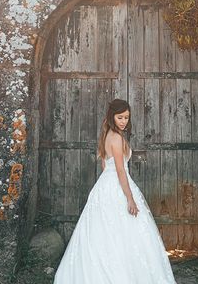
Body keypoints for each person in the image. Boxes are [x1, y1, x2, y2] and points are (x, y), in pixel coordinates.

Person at [53, 98, 177, 283]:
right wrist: (130, 198)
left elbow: (105, 165)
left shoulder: (106, 135)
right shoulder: (117, 138)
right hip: (116, 186)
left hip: (105, 185)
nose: (124, 121)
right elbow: (120, 170)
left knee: (106, 233)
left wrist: (110, 184)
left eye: (126, 117)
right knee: (122, 231)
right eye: (120, 117)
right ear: (112, 117)